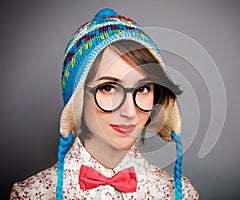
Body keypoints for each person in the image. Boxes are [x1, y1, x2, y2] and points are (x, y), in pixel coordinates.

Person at [10, 8, 200, 200]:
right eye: (108, 88)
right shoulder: (31, 194)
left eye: (142, 89)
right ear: (77, 99)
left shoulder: (180, 194)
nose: (128, 112)